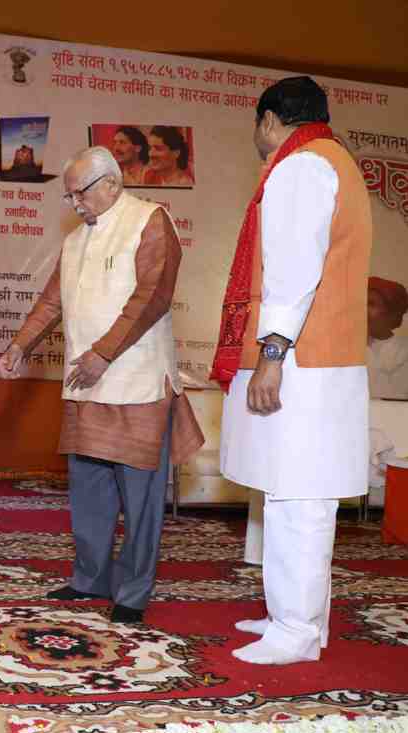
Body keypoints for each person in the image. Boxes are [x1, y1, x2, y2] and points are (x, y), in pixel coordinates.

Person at [0, 146, 203, 623]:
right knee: (89, 492)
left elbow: (152, 297)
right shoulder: (75, 240)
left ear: (111, 183)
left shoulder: (150, 221)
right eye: (68, 197)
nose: (75, 204)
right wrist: (18, 347)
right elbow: (51, 302)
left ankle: (132, 594)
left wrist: (103, 353)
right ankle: (89, 579)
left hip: (136, 385)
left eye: (79, 194)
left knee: (140, 499)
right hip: (85, 384)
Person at [211, 76, 371, 665]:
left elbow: (293, 270)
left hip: (301, 360)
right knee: (297, 494)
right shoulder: (334, 160)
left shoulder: (300, 167)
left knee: (298, 497)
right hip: (321, 358)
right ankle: (298, 618)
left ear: (270, 120)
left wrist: (272, 355)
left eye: (258, 126)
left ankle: (295, 632)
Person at [367, 276, 408, 399]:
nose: (364, 310)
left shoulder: (404, 350)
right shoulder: (351, 347)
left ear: (391, 313)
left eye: (371, 304)